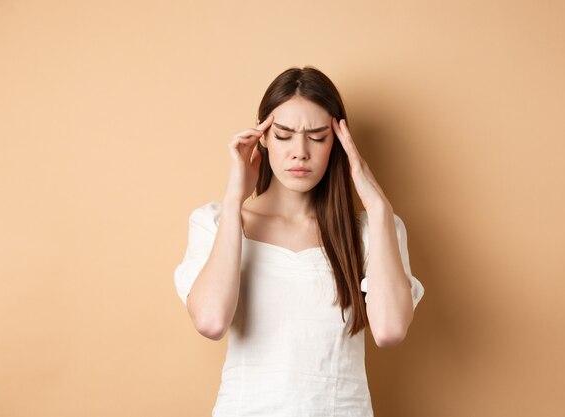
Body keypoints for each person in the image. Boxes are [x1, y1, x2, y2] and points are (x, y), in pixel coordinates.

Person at [173, 66, 425, 416]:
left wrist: (379, 206)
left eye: (318, 137)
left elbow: (390, 331)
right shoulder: (216, 223)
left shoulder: (373, 230)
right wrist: (234, 200)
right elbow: (211, 321)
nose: (300, 152)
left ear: (339, 141)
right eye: (284, 135)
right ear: (261, 136)